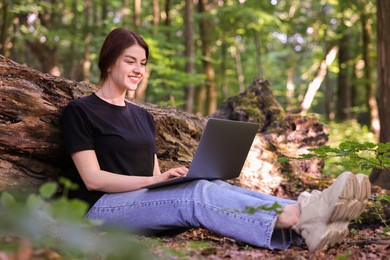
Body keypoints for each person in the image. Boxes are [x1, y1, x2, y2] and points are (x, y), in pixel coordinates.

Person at [61, 28, 371, 252]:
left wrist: (162, 180)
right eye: (131, 61)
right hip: (100, 210)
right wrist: (154, 183)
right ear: (109, 61)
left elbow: (152, 176)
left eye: (143, 63)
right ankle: (297, 216)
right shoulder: (81, 111)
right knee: (194, 195)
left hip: (137, 202)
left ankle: (310, 214)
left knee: (214, 186)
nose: (139, 70)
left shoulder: (142, 116)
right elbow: (93, 179)